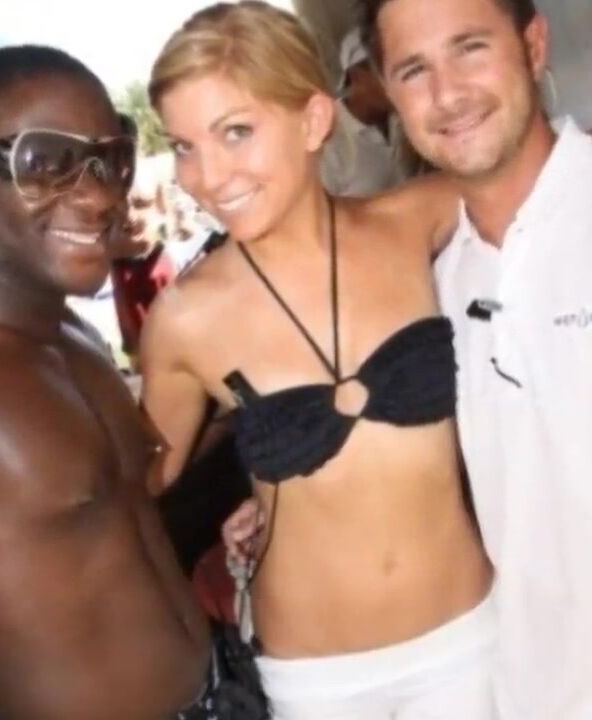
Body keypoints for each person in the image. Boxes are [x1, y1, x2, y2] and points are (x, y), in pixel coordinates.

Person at [141, 3, 497, 719]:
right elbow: (138, 481)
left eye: (235, 132)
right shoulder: (185, 318)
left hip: (466, 642)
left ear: (312, 121)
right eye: (183, 146)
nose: (207, 177)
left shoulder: (415, 221)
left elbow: (560, 170)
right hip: (318, 679)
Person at [0, 45, 216, 720]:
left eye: (112, 159)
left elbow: (110, 505)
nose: (99, 195)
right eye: (45, 163)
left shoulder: (68, 332)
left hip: (219, 693)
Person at [359, 0, 592, 718]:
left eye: (471, 48)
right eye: (414, 70)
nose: (448, 94)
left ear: (534, 46)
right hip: (529, 692)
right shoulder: (420, 285)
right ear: (390, 94)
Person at [320, 27, 411, 196]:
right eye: (383, 72)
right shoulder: (329, 143)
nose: (397, 82)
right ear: (356, 75)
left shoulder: (405, 119)